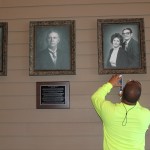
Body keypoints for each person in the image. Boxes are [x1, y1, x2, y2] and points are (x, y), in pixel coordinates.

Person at [91, 74, 150, 150]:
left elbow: (95, 97)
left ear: (122, 94)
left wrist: (110, 84)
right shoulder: (146, 115)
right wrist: (129, 96)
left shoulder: (109, 110)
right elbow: (135, 102)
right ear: (138, 98)